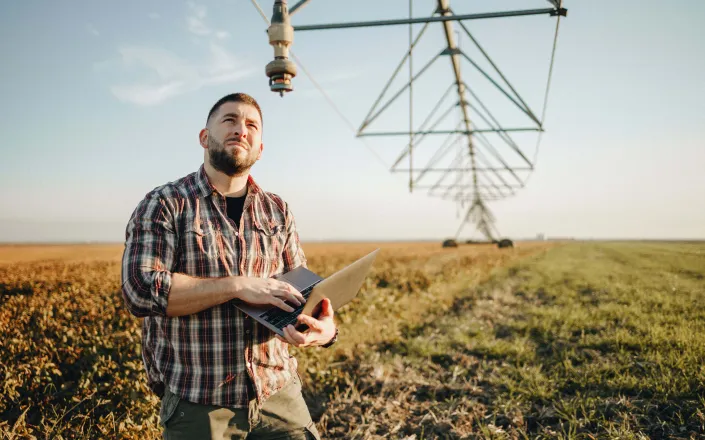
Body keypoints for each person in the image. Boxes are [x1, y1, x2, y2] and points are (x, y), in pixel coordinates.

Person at [120, 92, 337, 439]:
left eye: (251, 125)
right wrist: (236, 286)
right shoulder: (166, 203)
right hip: (200, 403)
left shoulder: (277, 209)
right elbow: (141, 291)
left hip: (278, 393)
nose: (241, 130)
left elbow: (301, 289)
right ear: (205, 138)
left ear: (260, 149)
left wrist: (325, 330)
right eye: (230, 120)